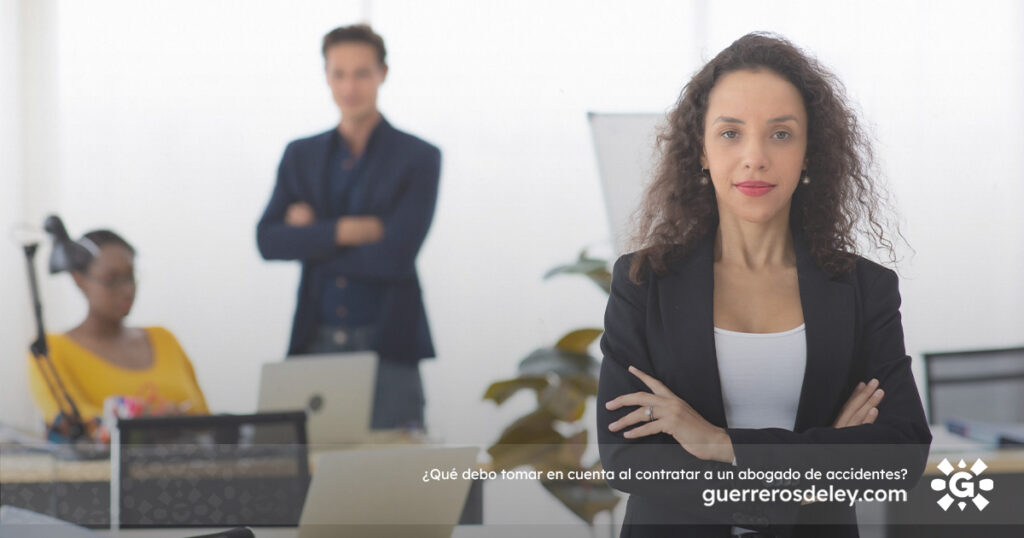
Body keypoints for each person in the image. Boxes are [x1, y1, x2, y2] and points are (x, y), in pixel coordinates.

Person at [596, 33, 932, 537]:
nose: (754, 157)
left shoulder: (864, 288)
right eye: (731, 133)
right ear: (701, 151)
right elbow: (627, 455)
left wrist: (720, 444)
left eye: (780, 134)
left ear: (809, 152)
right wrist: (811, 474)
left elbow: (901, 452)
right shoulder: (644, 282)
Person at [256, 24, 441, 431]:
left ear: (383, 73)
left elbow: (395, 256)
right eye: (338, 73)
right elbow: (268, 240)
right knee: (312, 472)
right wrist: (343, 230)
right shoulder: (300, 155)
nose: (349, 86)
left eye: (361, 73)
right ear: (326, 75)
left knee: (395, 476)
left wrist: (311, 237)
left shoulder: (419, 157)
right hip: (315, 340)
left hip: (389, 343)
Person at [27, 230, 209, 429]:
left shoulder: (164, 339)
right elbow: (73, 421)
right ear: (79, 279)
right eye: (111, 278)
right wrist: (152, 424)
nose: (127, 289)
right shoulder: (48, 349)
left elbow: (204, 416)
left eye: (131, 277)